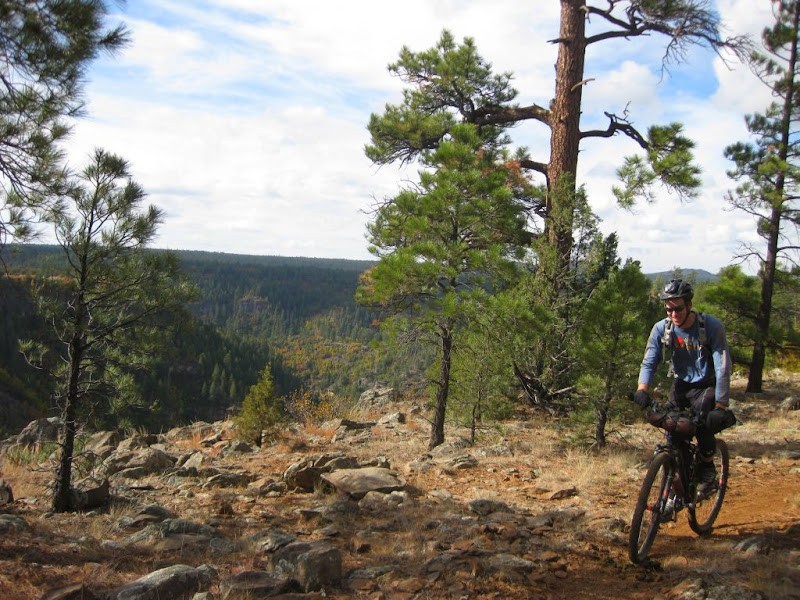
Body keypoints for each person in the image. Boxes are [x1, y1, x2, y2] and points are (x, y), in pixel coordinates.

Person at [633, 278, 733, 493]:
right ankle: (677, 482)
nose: (674, 314)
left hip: (706, 384)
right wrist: (642, 389)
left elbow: (723, 366)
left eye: (678, 308)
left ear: (689, 305)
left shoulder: (711, 326)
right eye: (669, 309)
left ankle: (707, 468)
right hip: (681, 384)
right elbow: (649, 360)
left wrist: (720, 405)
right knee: (673, 429)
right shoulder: (662, 328)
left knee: (703, 422)